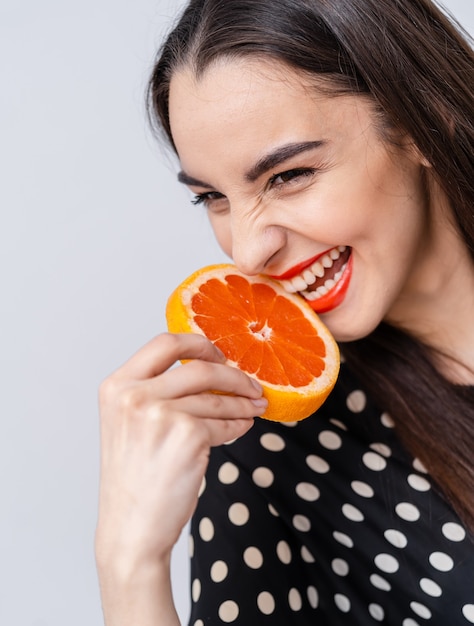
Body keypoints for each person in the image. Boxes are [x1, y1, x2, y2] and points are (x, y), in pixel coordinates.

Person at [95, 0, 474, 624]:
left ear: (420, 118)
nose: (248, 251)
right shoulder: (262, 440)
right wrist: (128, 560)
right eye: (213, 198)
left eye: (289, 175)